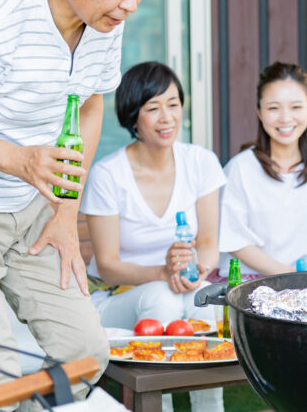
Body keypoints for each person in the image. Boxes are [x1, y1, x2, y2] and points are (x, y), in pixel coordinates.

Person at [0, 0, 170, 400]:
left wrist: (66, 209)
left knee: (85, 354)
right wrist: (19, 160)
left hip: (36, 211)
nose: (130, 5)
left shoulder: (103, 22)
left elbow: (89, 106)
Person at [80, 62, 224, 412]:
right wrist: (163, 273)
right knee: (163, 298)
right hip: (117, 297)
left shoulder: (200, 162)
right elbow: (109, 266)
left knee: (202, 302)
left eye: (173, 104)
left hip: (182, 288)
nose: (167, 118)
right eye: (153, 108)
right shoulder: (108, 175)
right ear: (133, 117)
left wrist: (193, 273)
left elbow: (208, 243)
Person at [215, 62, 307, 280]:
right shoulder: (240, 169)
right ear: (259, 112)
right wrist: (290, 277)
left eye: (296, 107)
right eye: (273, 108)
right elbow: (236, 242)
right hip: (250, 284)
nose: (285, 118)